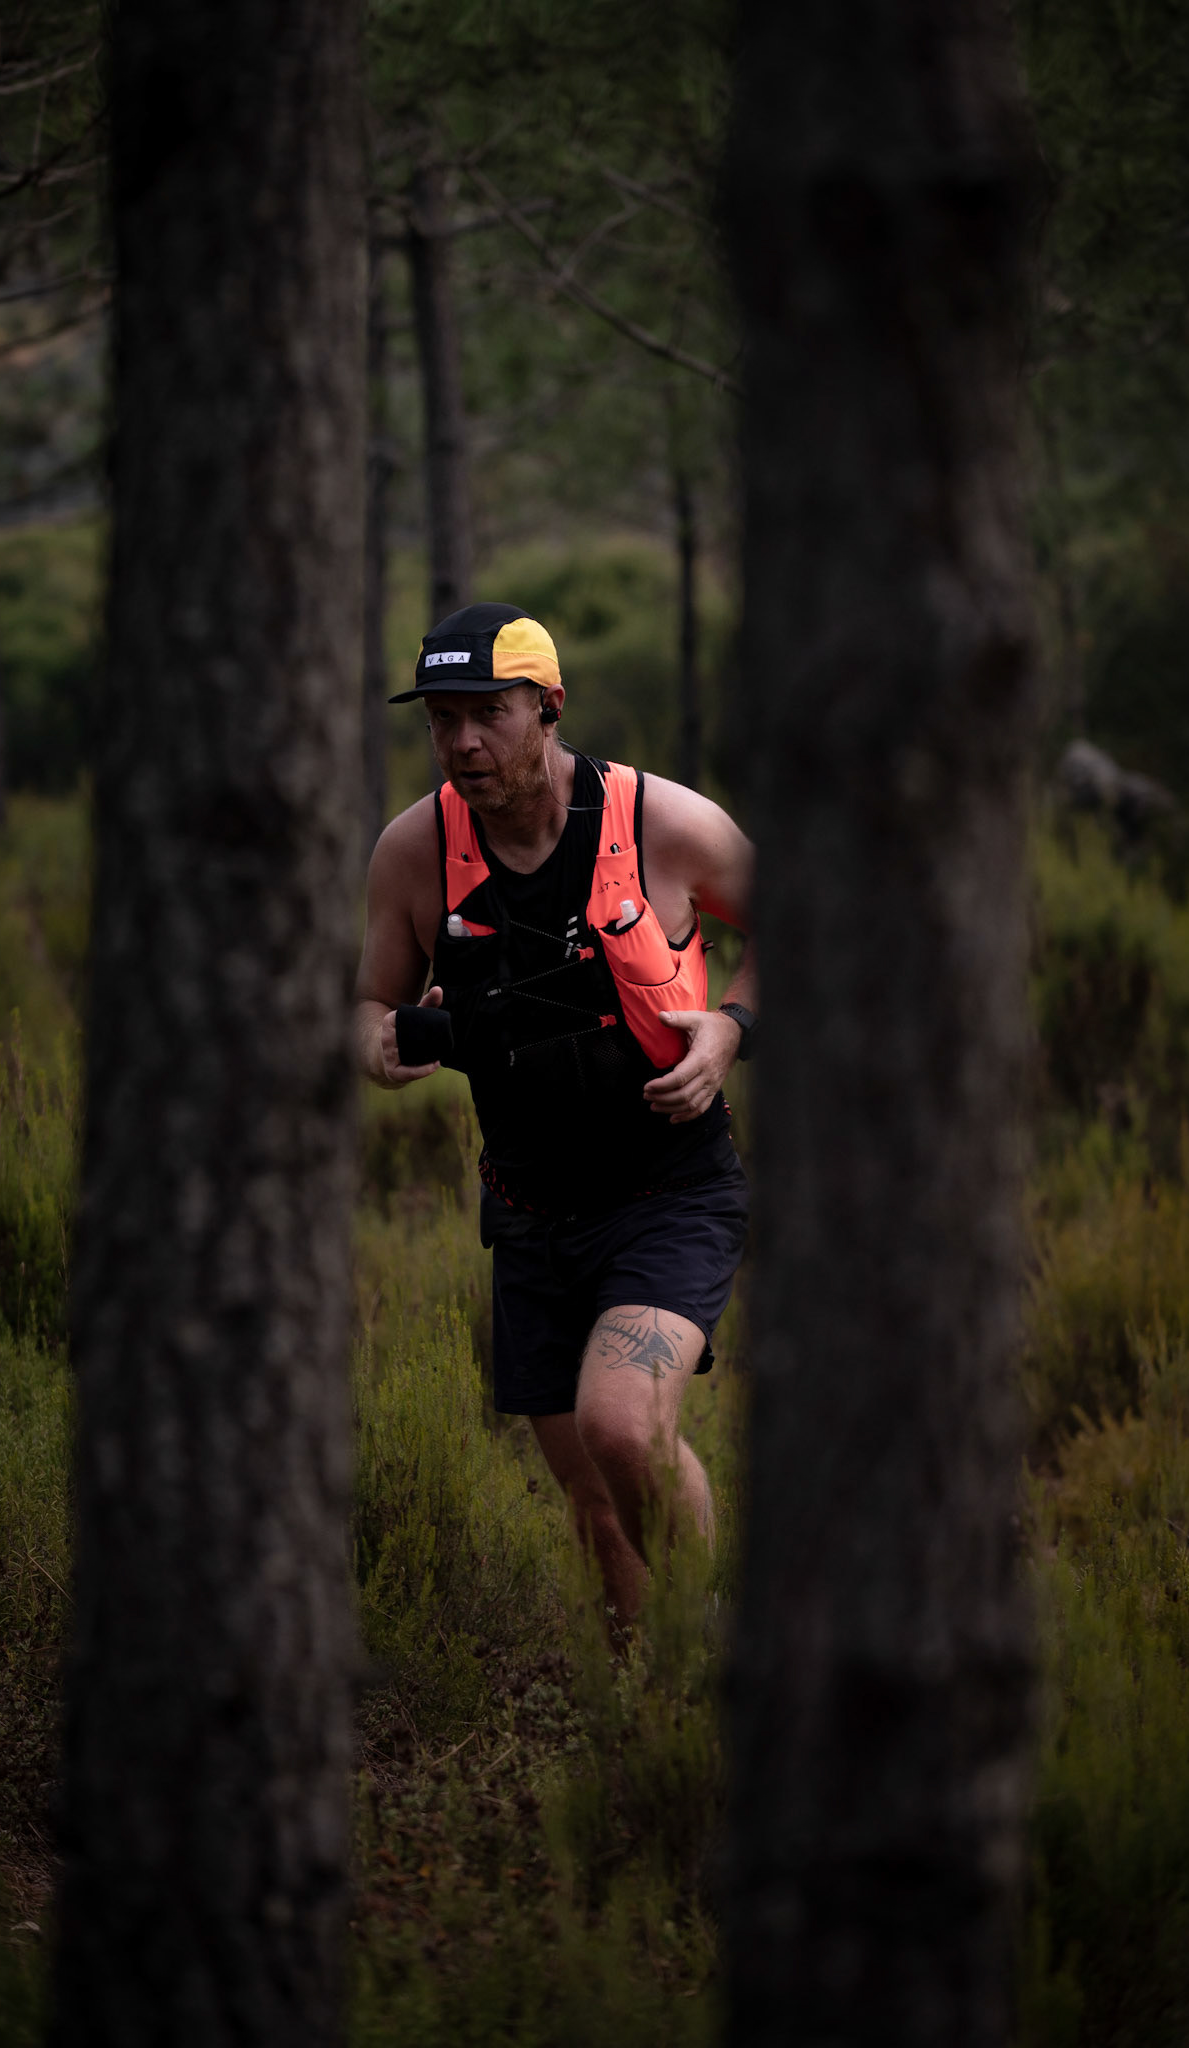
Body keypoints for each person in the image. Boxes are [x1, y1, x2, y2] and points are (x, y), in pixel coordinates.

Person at [354, 601, 757, 1626]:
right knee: (587, 1489)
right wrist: (384, 1042)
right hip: (530, 1215)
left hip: (668, 1190)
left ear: (551, 707)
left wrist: (731, 1028)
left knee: (624, 1428)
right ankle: (644, 1702)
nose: (463, 742)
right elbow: (367, 1005)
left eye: (490, 712)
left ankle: (707, 1658)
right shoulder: (413, 851)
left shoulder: (658, 822)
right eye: (442, 719)